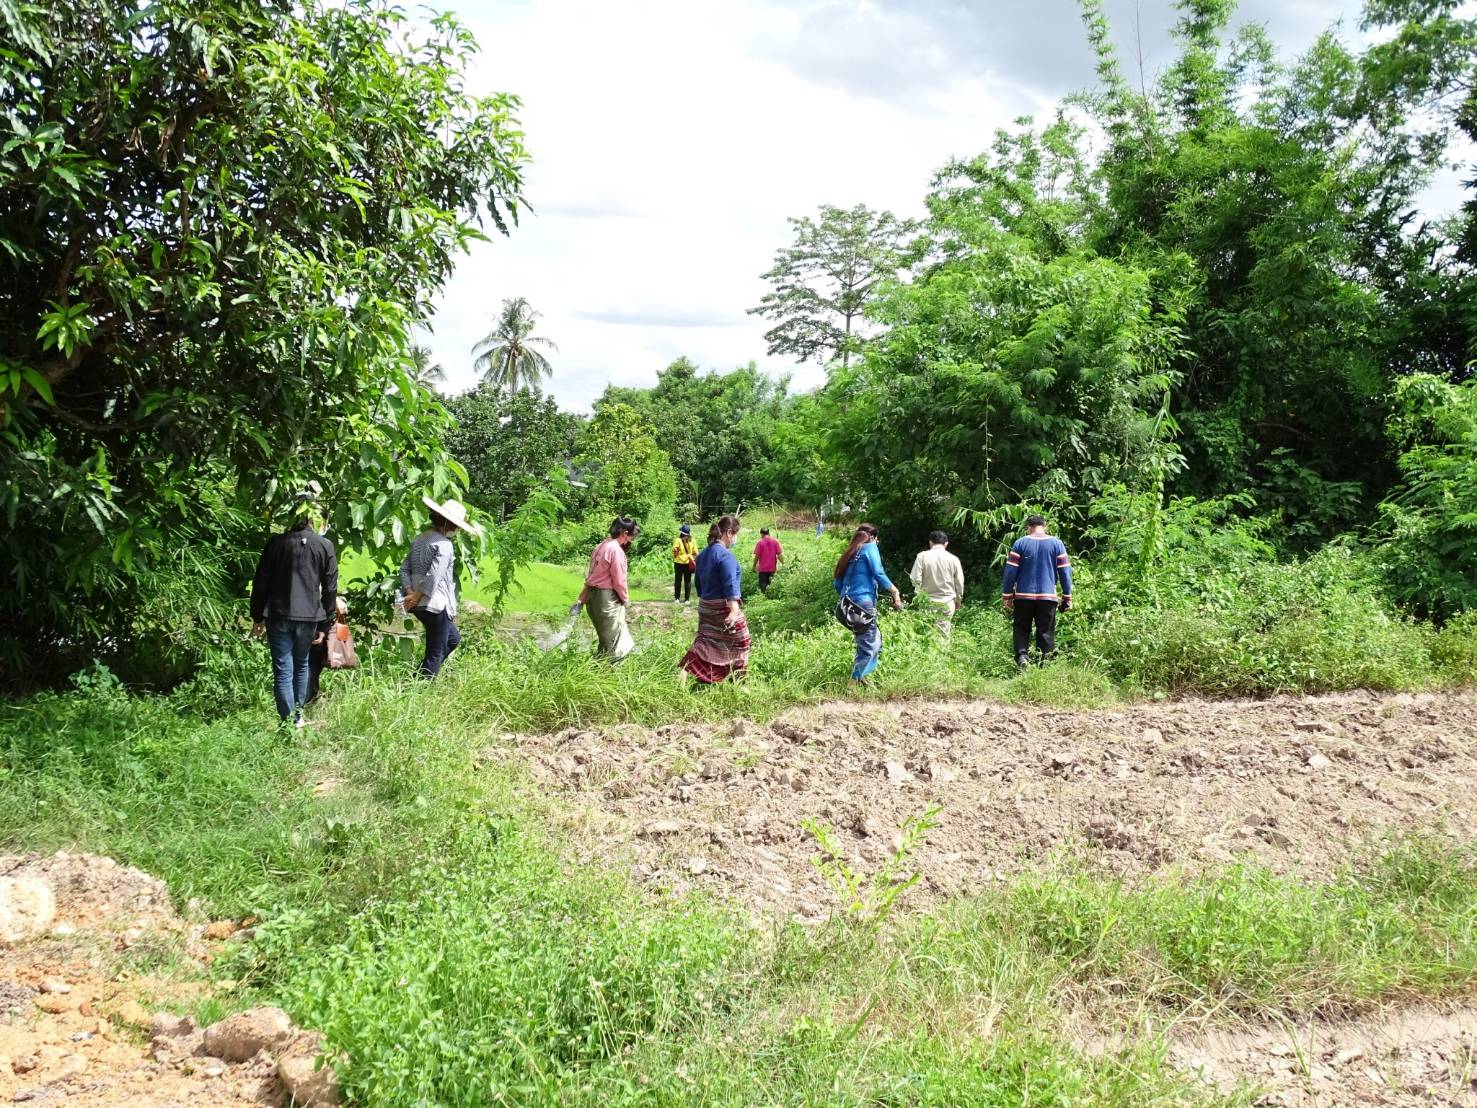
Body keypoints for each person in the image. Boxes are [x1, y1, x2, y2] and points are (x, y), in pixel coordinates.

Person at [250, 483, 338, 727]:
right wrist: (325, 622)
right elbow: (330, 588)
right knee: (301, 666)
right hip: (309, 617)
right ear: (315, 517)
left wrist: (257, 616)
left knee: (283, 669)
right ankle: (297, 718)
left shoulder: (277, 543)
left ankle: (289, 723)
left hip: (278, 615)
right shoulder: (325, 546)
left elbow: (261, 583)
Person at [400, 496, 482, 678]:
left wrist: (410, 592)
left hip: (418, 604)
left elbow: (404, 568)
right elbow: (435, 575)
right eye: (456, 526)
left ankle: (418, 677)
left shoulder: (420, 539)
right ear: (448, 523)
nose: (458, 530)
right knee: (435, 653)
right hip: (435, 604)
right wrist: (417, 595)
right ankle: (419, 691)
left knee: (453, 639)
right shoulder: (445, 545)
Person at [680, 515, 751, 683]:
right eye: (735, 534)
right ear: (728, 533)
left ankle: (686, 673)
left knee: (705, 643)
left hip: (705, 606)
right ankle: (739, 684)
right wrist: (734, 610)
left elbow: (698, 583)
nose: (735, 538)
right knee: (742, 642)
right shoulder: (726, 557)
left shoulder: (703, 554)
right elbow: (730, 584)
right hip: (723, 607)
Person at [834, 522, 903, 688]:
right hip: (862, 604)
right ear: (874, 538)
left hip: (845, 606)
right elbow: (878, 572)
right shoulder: (870, 548)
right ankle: (852, 684)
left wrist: (851, 598)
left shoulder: (850, 552)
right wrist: (895, 592)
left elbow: (837, 583)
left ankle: (862, 677)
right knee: (870, 644)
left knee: (874, 640)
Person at [1002, 513, 1073, 671]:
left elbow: (1010, 572)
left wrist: (1007, 595)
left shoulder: (1020, 543)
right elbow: (1065, 572)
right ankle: (1044, 665)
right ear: (1045, 526)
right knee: (1045, 631)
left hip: (1023, 596)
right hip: (1047, 597)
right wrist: (1067, 597)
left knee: (1021, 627)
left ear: (1029, 527)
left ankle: (1022, 657)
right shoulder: (1057, 544)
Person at [578, 516, 640, 657]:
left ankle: (598, 672)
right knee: (612, 643)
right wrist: (625, 600)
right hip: (606, 599)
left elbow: (590, 576)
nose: (631, 540)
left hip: (592, 597)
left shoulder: (601, 546)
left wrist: (581, 599)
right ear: (625, 533)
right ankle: (606, 673)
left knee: (605, 641)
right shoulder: (615, 550)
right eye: (632, 536)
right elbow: (619, 581)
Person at [909, 530, 965, 633]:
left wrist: (919, 593)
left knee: (926, 634)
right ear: (946, 544)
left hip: (926, 602)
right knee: (943, 634)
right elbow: (959, 582)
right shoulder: (953, 559)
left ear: (930, 542)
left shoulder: (922, 556)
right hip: (947, 602)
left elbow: (915, 578)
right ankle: (943, 649)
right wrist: (958, 600)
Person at [305, 594, 350, 706]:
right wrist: (335, 599)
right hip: (313, 615)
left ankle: (305, 701)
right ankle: (303, 703)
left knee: (306, 663)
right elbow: (319, 585)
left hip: (292, 612)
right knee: (311, 663)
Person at [752, 527, 785, 594]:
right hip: (772, 568)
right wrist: (783, 563)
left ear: (761, 534)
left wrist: (754, 566)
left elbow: (757, 557)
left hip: (763, 569)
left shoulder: (760, 543)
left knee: (763, 586)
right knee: (771, 585)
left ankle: (763, 599)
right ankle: (771, 598)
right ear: (768, 533)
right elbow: (779, 555)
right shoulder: (775, 542)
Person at [671, 524, 698, 604]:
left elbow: (674, 551)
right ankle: (687, 599)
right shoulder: (692, 540)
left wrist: (677, 552)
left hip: (678, 563)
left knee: (678, 580)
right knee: (687, 581)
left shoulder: (678, 540)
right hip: (688, 563)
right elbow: (696, 552)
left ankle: (677, 598)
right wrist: (691, 557)